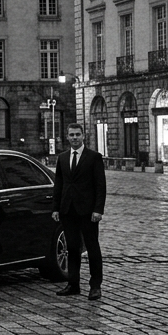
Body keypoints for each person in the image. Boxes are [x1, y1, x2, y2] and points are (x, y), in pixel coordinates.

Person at [53, 122, 106, 301]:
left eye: (77, 134)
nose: (75, 138)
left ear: (83, 136)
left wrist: (98, 209)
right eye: (71, 135)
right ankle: (73, 283)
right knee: (72, 248)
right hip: (68, 210)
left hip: (88, 211)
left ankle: (95, 286)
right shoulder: (62, 158)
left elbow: (100, 186)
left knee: (92, 248)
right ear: (67, 137)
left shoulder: (94, 157)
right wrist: (56, 208)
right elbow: (59, 185)